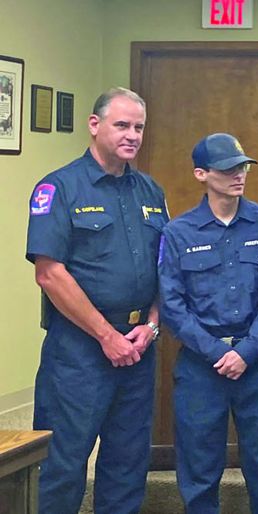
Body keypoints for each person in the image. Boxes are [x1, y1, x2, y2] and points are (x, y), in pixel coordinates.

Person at [26, 87, 167, 513]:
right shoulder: (58, 188)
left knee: (127, 464)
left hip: (138, 345)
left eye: (139, 127)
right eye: (122, 125)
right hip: (80, 351)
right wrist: (107, 336)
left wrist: (153, 325)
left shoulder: (150, 191)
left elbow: (165, 268)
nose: (132, 135)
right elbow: (49, 273)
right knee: (63, 463)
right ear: (94, 125)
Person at [159, 133, 258, 513]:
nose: (239, 175)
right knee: (199, 469)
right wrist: (218, 352)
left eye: (243, 167)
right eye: (228, 169)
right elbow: (172, 305)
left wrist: (246, 351)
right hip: (202, 365)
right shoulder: (178, 233)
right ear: (201, 174)